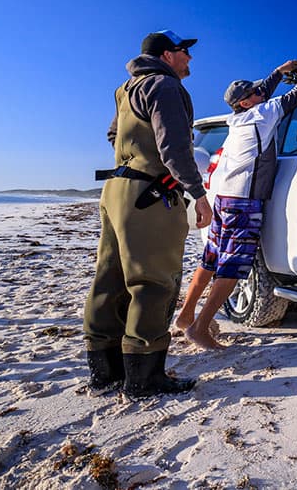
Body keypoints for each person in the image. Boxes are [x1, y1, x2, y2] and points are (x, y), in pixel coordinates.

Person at [175, 47, 297, 350]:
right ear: (246, 102)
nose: (260, 91)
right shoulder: (264, 114)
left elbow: (264, 89)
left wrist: (279, 71)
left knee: (211, 258)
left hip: (224, 198)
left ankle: (185, 316)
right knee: (233, 266)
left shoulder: (238, 118)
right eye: (254, 91)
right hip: (243, 202)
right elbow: (295, 97)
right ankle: (199, 328)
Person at [83, 29, 213, 398]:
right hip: (149, 195)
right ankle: (144, 377)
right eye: (185, 51)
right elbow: (174, 149)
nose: (189, 58)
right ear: (167, 55)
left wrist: (134, 158)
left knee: (109, 279)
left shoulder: (125, 90)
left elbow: (113, 136)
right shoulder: (166, 87)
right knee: (154, 283)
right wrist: (197, 194)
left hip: (116, 191)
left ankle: (104, 371)